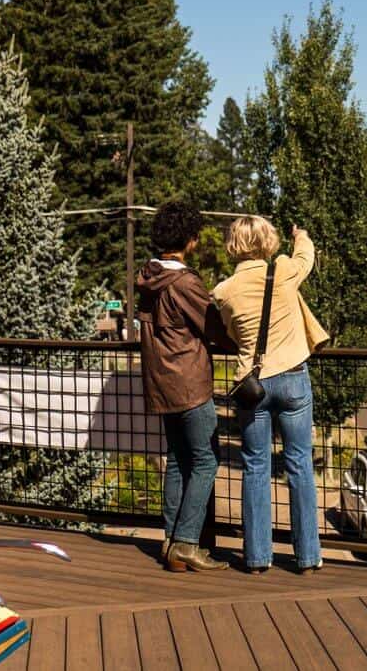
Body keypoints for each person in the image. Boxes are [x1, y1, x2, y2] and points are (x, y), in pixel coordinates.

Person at [213, 216, 329, 574]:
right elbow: (306, 258)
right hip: (293, 376)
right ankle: (308, 556)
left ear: (234, 244)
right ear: (267, 241)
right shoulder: (283, 271)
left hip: (253, 385)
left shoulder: (224, 290)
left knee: (255, 467)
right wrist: (302, 235)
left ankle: (257, 557)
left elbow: (232, 334)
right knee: (299, 465)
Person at [135, 201, 235, 572]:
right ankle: (188, 543)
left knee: (177, 461)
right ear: (190, 240)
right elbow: (211, 327)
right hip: (190, 382)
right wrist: (236, 344)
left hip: (160, 382)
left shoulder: (148, 276)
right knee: (207, 461)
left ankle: (171, 540)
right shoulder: (185, 282)